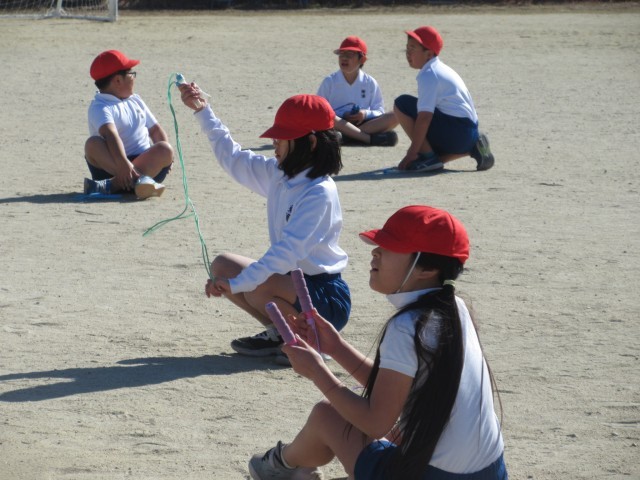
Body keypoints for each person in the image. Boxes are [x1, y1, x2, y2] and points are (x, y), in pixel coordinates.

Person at [248, 205, 508, 480]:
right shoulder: (456, 308)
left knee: (327, 414)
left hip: (435, 475)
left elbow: (375, 423)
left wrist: (316, 371)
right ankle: (287, 466)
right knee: (368, 418)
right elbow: (398, 389)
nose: (376, 251)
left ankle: (279, 466)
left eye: (390, 246)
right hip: (490, 473)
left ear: (428, 268)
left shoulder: (407, 326)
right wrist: (336, 347)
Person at [178, 86, 351, 363]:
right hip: (291, 284)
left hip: (326, 297)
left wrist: (237, 284)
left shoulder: (319, 192)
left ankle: (314, 342)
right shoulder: (281, 174)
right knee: (223, 265)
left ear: (311, 142)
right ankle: (280, 333)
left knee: (257, 284)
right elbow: (234, 158)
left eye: (283, 138)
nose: (274, 143)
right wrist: (202, 111)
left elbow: (286, 254)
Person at [394, 26, 495, 173]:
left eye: (413, 48)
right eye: (407, 48)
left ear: (429, 54)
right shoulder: (441, 68)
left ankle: (428, 158)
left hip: (457, 134)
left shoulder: (429, 74)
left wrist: (412, 153)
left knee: (402, 104)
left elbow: (424, 118)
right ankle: (473, 147)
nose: (408, 53)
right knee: (427, 124)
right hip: (469, 133)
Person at [84, 50, 174, 199]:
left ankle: (112, 185)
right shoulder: (100, 106)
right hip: (112, 166)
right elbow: (111, 135)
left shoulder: (135, 100)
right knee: (92, 144)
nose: (134, 78)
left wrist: (167, 158)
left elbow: (155, 130)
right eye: (131, 74)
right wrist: (123, 164)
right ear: (118, 80)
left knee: (165, 148)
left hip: (147, 165)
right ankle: (139, 182)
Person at [317, 36, 399, 147]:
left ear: (362, 60)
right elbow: (320, 112)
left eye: (350, 55)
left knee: (396, 115)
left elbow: (379, 111)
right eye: (341, 54)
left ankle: (345, 137)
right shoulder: (329, 81)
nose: (344, 58)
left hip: (364, 123)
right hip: (339, 123)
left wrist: (364, 114)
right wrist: (343, 114)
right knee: (331, 118)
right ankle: (367, 138)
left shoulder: (370, 82)